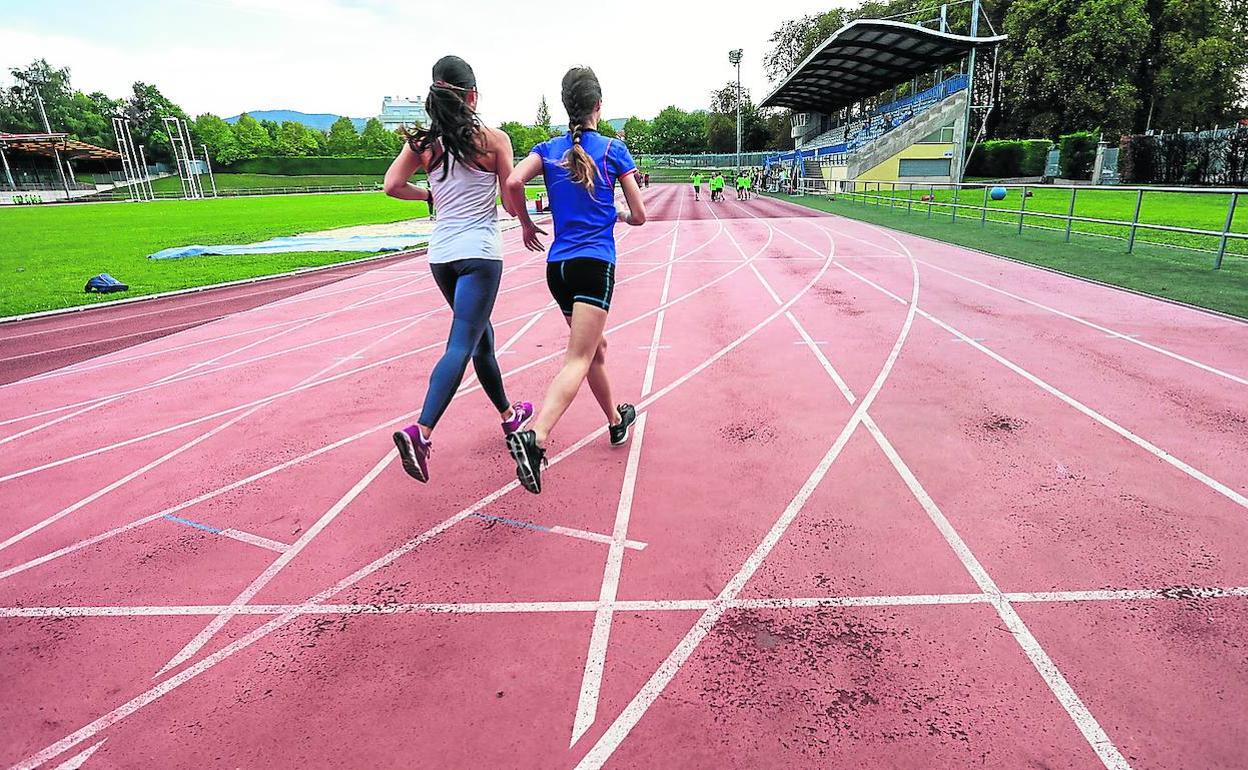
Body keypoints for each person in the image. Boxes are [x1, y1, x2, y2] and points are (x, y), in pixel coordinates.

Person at [385, 55, 532, 483]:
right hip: (481, 256)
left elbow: (392, 186)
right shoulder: (494, 140)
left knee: (481, 337)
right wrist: (524, 221)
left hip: (441, 257)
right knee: (461, 345)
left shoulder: (425, 144)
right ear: (472, 96)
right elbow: (509, 197)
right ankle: (421, 431)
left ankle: (509, 415)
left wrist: (430, 195)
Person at [501, 66, 647, 494]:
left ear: (567, 106)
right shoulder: (613, 151)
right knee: (578, 358)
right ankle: (536, 438)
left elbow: (511, 181)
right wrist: (616, 213)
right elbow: (639, 216)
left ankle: (616, 421)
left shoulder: (547, 149)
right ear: (599, 106)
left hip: (557, 267)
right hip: (594, 263)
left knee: (594, 348)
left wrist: (526, 222)